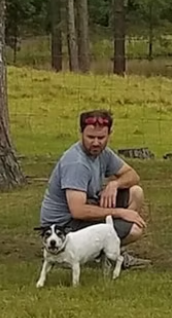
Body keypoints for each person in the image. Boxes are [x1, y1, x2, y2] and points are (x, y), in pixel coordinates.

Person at [39, 108, 150, 268]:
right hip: (65, 225)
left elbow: (133, 175)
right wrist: (121, 212)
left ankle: (110, 251)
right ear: (81, 133)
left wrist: (114, 184)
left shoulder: (103, 153)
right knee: (134, 229)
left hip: (87, 208)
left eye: (101, 137)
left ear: (109, 134)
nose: (96, 142)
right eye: (90, 137)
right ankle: (80, 253)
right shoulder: (77, 163)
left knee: (135, 192)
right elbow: (78, 211)